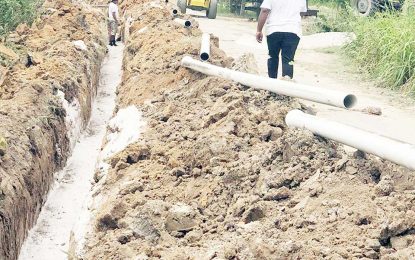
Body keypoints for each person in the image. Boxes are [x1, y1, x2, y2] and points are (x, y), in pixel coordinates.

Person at [256, 0, 307, 79]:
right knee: (288, 59)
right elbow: (302, 12)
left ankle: (272, 85)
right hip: (293, 30)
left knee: (272, 57)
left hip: (274, 29)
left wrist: (259, 30)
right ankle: (286, 85)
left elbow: (264, 10)